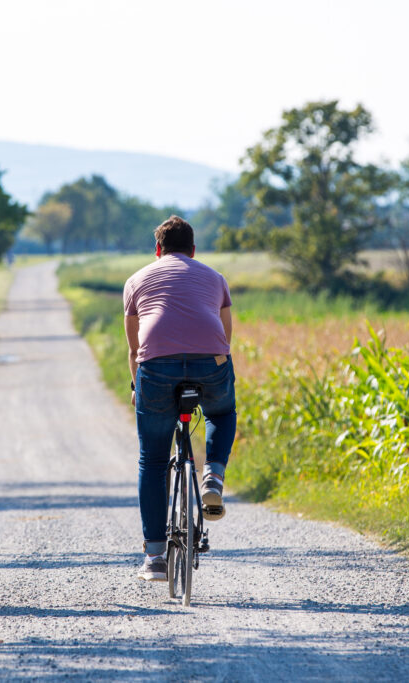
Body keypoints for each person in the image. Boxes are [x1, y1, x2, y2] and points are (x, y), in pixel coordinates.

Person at [123, 216, 236, 581]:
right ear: (193, 250)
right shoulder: (216, 278)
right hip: (210, 363)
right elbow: (225, 340)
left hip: (156, 366)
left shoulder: (136, 281)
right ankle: (213, 476)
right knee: (221, 412)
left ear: (158, 250)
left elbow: (134, 349)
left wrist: (138, 388)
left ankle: (155, 557)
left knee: (153, 459)